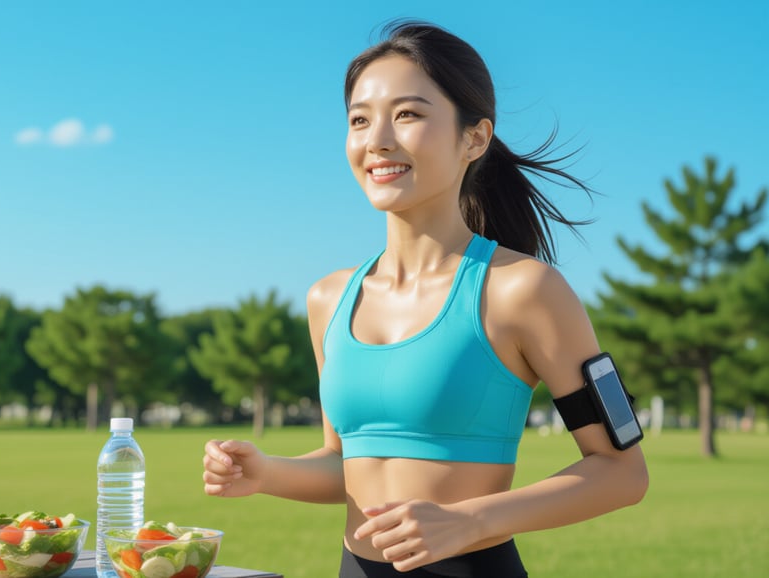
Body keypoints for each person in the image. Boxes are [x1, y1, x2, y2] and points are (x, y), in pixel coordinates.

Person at [201, 20, 648, 578]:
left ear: (474, 138)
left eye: (407, 114)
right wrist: (266, 472)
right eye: (359, 120)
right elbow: (349, 463)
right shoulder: (329, 299)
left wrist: (472, 520)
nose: (377, 139)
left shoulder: (524, 291)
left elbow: (623, 472)